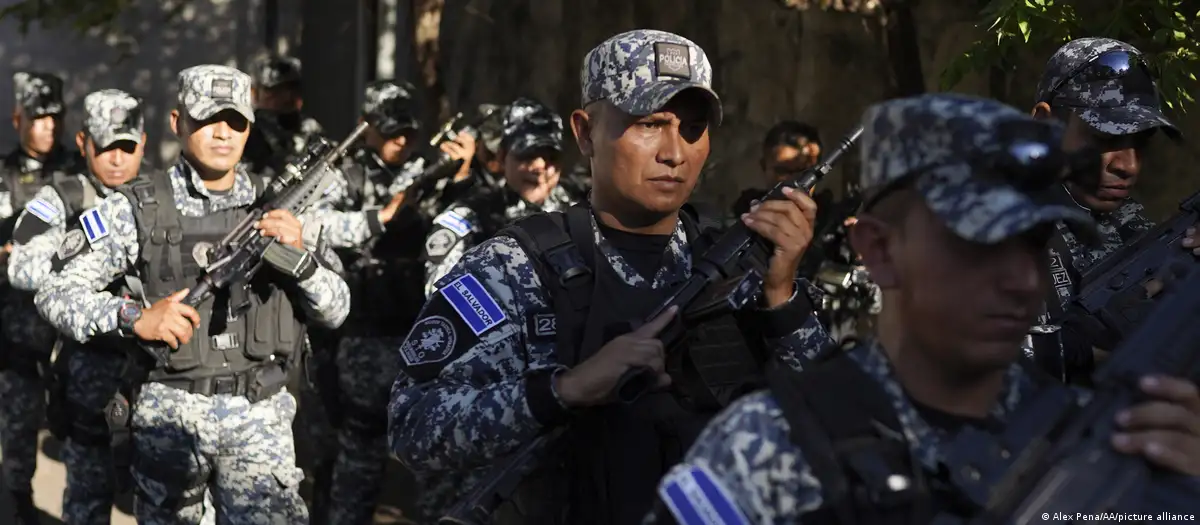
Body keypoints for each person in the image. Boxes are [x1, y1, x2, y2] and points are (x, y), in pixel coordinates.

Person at [646, 93, 1200, 524]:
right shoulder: (766, 447)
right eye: (979, 246)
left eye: (1034, 245)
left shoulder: (1091, 438)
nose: (1017, 279)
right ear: (880, 251)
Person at [390, 29, 832, 523]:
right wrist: (565, 390)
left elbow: (828, 426)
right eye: (649, 123)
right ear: (584, 132)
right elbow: (412, 426)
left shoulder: (737, 262)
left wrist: (782, 297)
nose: (675, 152)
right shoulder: (514, 267)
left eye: (693, 127)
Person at [34, 64, 351, 524]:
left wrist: (301, 259)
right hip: (169, 419)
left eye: (237, 121)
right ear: (178, 123)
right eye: (207, 119)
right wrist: (132, 316)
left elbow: (337, 310)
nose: (223, 133)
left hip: (259, 420)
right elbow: (54, 289)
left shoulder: (283, 206)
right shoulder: (136, 207)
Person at [6, 88, 147, 525]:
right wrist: (82, 247)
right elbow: (21, 261)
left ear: (143, 143)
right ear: (85, 143)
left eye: (128, 147)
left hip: (154, 376)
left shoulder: (159, 194)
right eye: (107, 147)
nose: (118, 160)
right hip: (89, 372)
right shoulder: (55, 198)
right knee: (87, 497)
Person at [1026, 37, 1189, 382]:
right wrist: (1080, 349)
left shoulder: (1126, 223)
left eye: (1140, 143)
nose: (1128, 166)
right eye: (1106, 139)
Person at [0, 70, 83, 523]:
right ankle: (18, 499)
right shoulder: (4, 174)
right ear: (18, 118)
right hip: (20, 328)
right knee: (19, 423)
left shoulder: (79, 171)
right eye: (39, 117)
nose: (49, 126)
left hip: (71, 329)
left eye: (55, 117)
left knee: (81, 425)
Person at [422, 97, 576, 296]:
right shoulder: (468, 217)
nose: (540, 166)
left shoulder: (578, 214)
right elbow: (440, 294)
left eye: (551, 156)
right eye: (527, 154)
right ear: (502, 157)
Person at [243, 54, 326, 178]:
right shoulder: (246, 133)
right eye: (276, 90)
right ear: (256, 93)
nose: (287, 96)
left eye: (292, 88)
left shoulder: (310, 128)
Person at [730, 120, 822, 216]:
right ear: (764, 166)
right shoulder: (745, 210)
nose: (792, 181)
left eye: (803, 173)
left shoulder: (830, 219)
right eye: (782, 172)